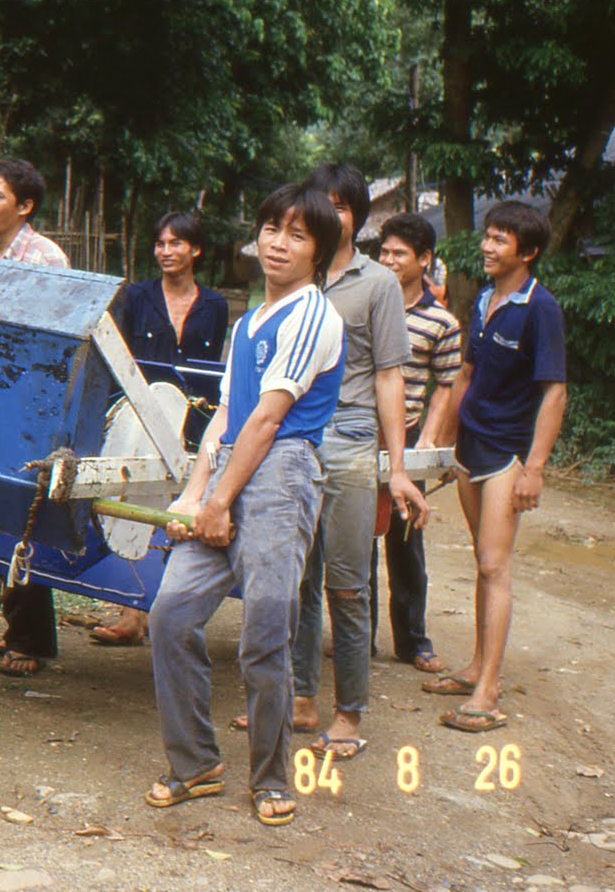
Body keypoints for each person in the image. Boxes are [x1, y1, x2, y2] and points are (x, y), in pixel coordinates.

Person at [144, 183, 345, 828]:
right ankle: (196, 762)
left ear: (320, 251)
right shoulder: (246, 321)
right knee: (172, 613)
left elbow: (267, 419)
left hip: (283, 473)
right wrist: (195, 492)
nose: (278, 243)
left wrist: (219, 499)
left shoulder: (315, 313)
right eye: (271, 229)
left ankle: (271, 775)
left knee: (264, 631)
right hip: (232, 468)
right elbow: (227, 415)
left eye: (298, 234)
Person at [284, 163, 429, 761]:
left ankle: (349, 711)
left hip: (349, 436)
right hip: (294, 431)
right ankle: (299, 698)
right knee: (294, 577)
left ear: (358, 216)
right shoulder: (295, 274)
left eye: (342, 206)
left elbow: (392, 377)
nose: (330, 213)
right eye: (321, 202)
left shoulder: (378, 285)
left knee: (346, 582)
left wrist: (396, 468)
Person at [427, 201, 566, 732]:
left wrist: (534, 467)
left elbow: (554, 393)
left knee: (494, 565)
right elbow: (465, 374)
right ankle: (475, 667)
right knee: (482, 564)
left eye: (500, 240)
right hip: (470, 451)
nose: (487, 246)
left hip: (508, 454)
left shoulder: (540, 308)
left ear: (526, 252)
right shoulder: (485, 298)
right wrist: (444, 444)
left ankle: (489, 690)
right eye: (487, 236)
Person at [91, 212, 230, 647]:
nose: (166, 252)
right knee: (138, 499)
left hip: (196, 419)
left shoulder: (215, 305)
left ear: (196, 250)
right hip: (141, 414)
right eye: (160, 244)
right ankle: (131, 610)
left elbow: (209, 374)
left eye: (176, 244)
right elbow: (121, 360)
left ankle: (168, 610)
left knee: (181, 508)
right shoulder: (135, 296)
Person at [0, 158, 71, 678]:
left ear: (24, 206)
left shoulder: (45, 259)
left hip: (32, 409)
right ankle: (22, 628)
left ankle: (29, 639)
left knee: (26, 517)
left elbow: (54, 345)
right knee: (3, 514)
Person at [370, 214, 461, 674]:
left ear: (424, 260)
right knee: (356, 538)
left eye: (398, 254)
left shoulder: (441, 322)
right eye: (383, 252)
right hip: (359, 436)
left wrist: (426, 439)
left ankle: (413, 641)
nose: (388, 260)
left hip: (405, 439)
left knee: (406, 542)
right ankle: (356, 638)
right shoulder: (364, 304)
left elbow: (446, 383)